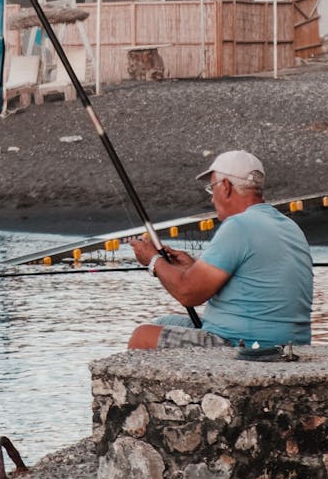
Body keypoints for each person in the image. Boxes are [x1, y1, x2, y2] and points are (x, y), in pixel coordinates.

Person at [128, 150, 313, 350]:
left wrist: (154, 261)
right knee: (161, 322)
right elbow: (245, 279)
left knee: (143, 337)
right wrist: (192, 268)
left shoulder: (239, 226)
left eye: (212, 188)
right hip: (291, 343)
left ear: (225, 187)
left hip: (247, 345)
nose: (211, 199)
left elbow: (188, 293)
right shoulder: (288, 226)